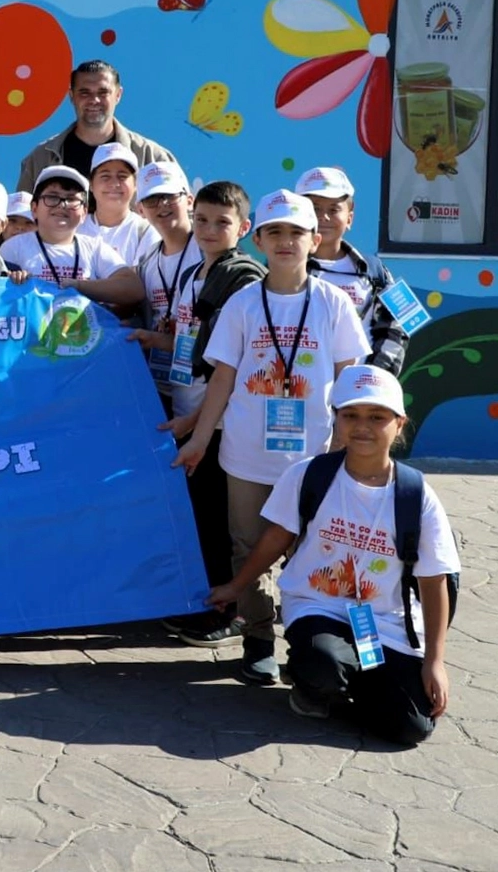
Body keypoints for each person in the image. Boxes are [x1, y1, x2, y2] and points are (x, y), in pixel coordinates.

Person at [175, 189, 372, 684]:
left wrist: (344, 449)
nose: (286, 241)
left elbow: (349, 380)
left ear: (315, 239)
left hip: (313, 457)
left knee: (313, 552)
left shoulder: (333, 303)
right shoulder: (242, 304)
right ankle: (259, 638)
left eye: (296, 232)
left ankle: (309, 642)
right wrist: (200, 439)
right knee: (247, 548)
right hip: (246, 456)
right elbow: (222, 378)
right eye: (275, 232)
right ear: (259, 240)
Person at [207, 366, 457, 743]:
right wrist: (235, 586)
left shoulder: (416, 495)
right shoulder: (309, 475)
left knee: (412, 727)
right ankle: (314, 680)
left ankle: (354, 680)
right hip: (318, 606)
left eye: (377, 417)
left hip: (378, 622)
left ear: (399, 424)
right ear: (335, 419)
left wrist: (434, 662)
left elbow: (434, 579)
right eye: (350, 415)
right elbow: (276, 538)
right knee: (323, 663)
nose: (362, 427)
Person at [160, 181, 262, 648]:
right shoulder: (192, 275)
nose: (208, 229)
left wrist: (197, 422)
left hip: (217, 422)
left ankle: (233, 611)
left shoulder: (243, 280)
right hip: (190, 412)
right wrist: (151, 340)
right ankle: (209, 601)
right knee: (200, 515)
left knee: (222, 521)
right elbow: (191, 343)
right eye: (201, 219)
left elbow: (236, 366)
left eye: (222, 222)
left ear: (243, 228)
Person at [295, 166, 409, 375]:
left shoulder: (377, 269)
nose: (324, 217)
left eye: (334, 209)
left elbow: (403, 322)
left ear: (350, 217)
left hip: (359, 390)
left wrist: (371, 378)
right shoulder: (282, 268)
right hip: (300, 387)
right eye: (315, 209)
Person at [14, 60, 176, 192]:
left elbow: (181, 214)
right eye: (85, 93)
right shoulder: (40, 159)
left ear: (118, 95)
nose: (94, 100)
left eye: (103, 92)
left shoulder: (152, 157)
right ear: (71, 96)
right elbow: (22, 217)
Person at [0, 166, 144, 306]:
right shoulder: (13, 247)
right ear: (34, 209)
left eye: (71, 199)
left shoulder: (94, 247)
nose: (62, 205)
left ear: (84, 213)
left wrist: (79, 286)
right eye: (52, 197)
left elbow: (133, 288)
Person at [127, 161, 202, 405]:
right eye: (152, 199)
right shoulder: (147, 259)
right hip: (158, 390)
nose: (162, 205)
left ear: (189, 200)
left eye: (170, 196)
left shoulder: (208, 252)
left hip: (201, 392)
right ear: (140, 209)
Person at [78, 143, 160, 264]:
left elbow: (142, 276)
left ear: (136, 184)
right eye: (105, 176)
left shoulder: (146, 231)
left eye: (122, 176)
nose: (114, 184)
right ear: (91, 184)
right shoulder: (74, 227)